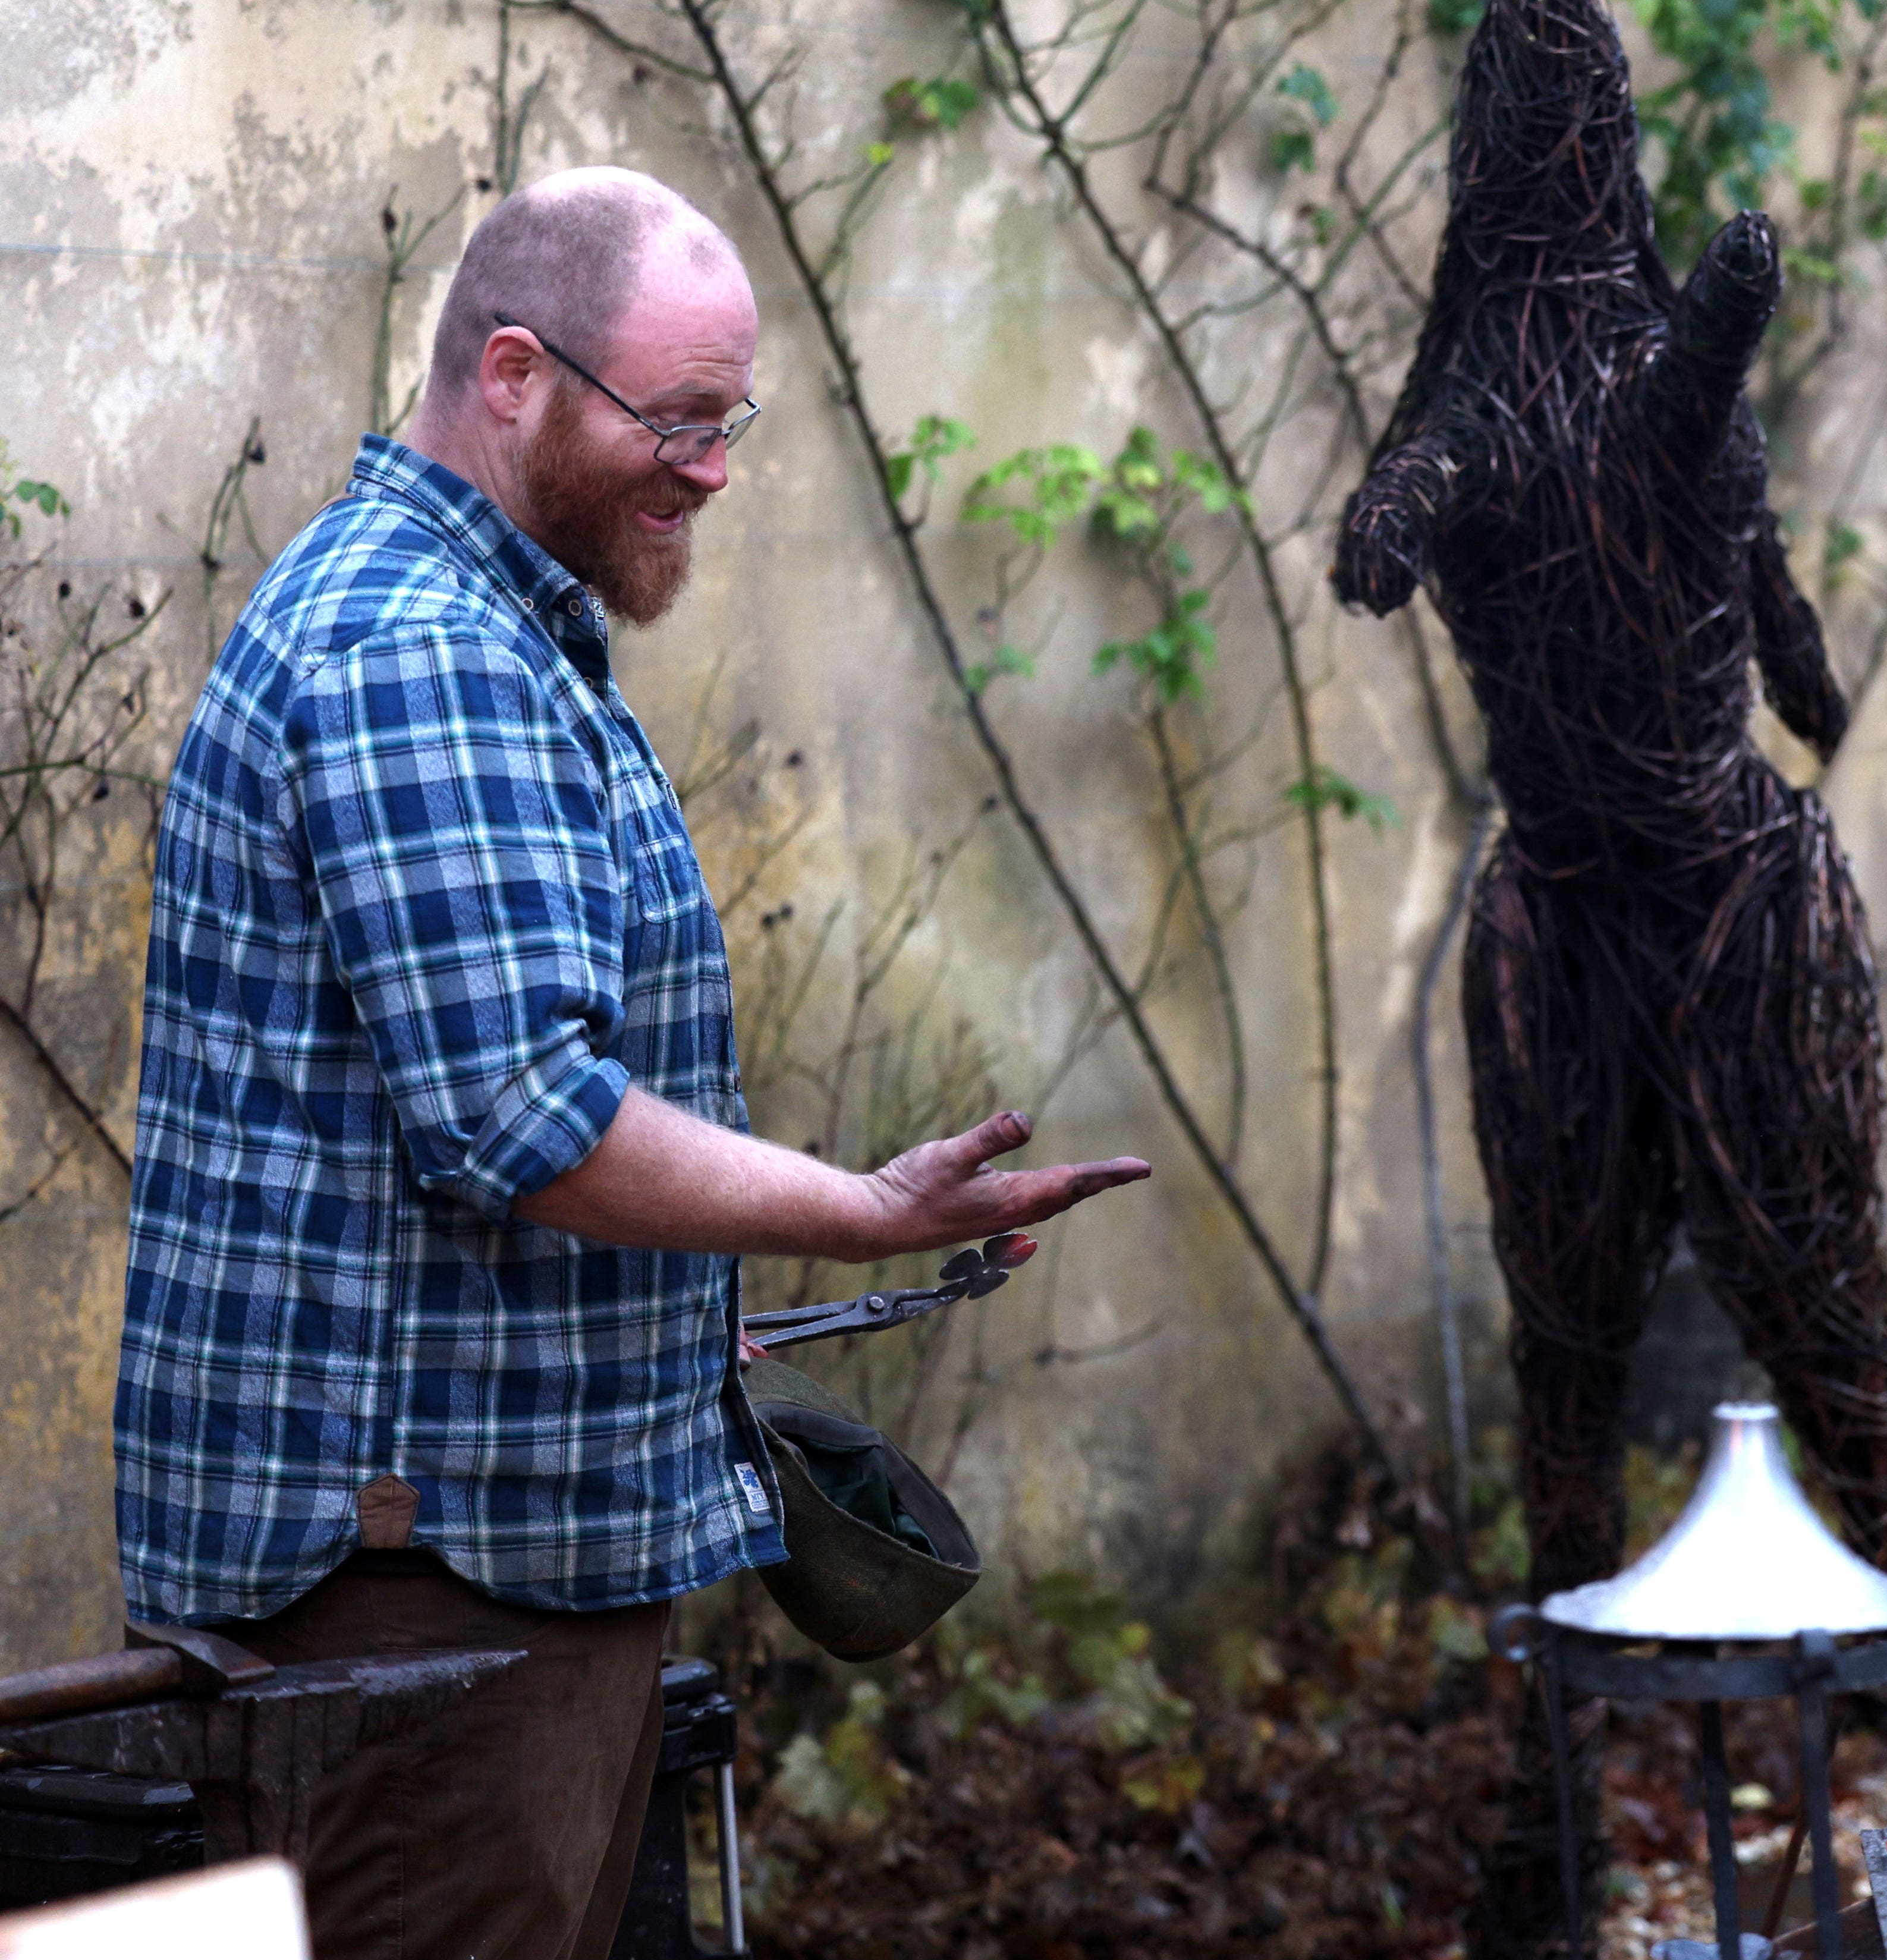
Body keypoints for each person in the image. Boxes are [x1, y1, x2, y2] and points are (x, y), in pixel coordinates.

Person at [115, 168, 1150, 1960]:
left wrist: (692, 1319)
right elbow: (524, 1111)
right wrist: (852, 1211)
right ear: (512, 374)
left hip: (473, 1573)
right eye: (677, 419)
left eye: (728, 419)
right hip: (414, 1607)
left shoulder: (493, 630)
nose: (714, 467)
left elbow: (418, 1129)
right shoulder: (419, 652)